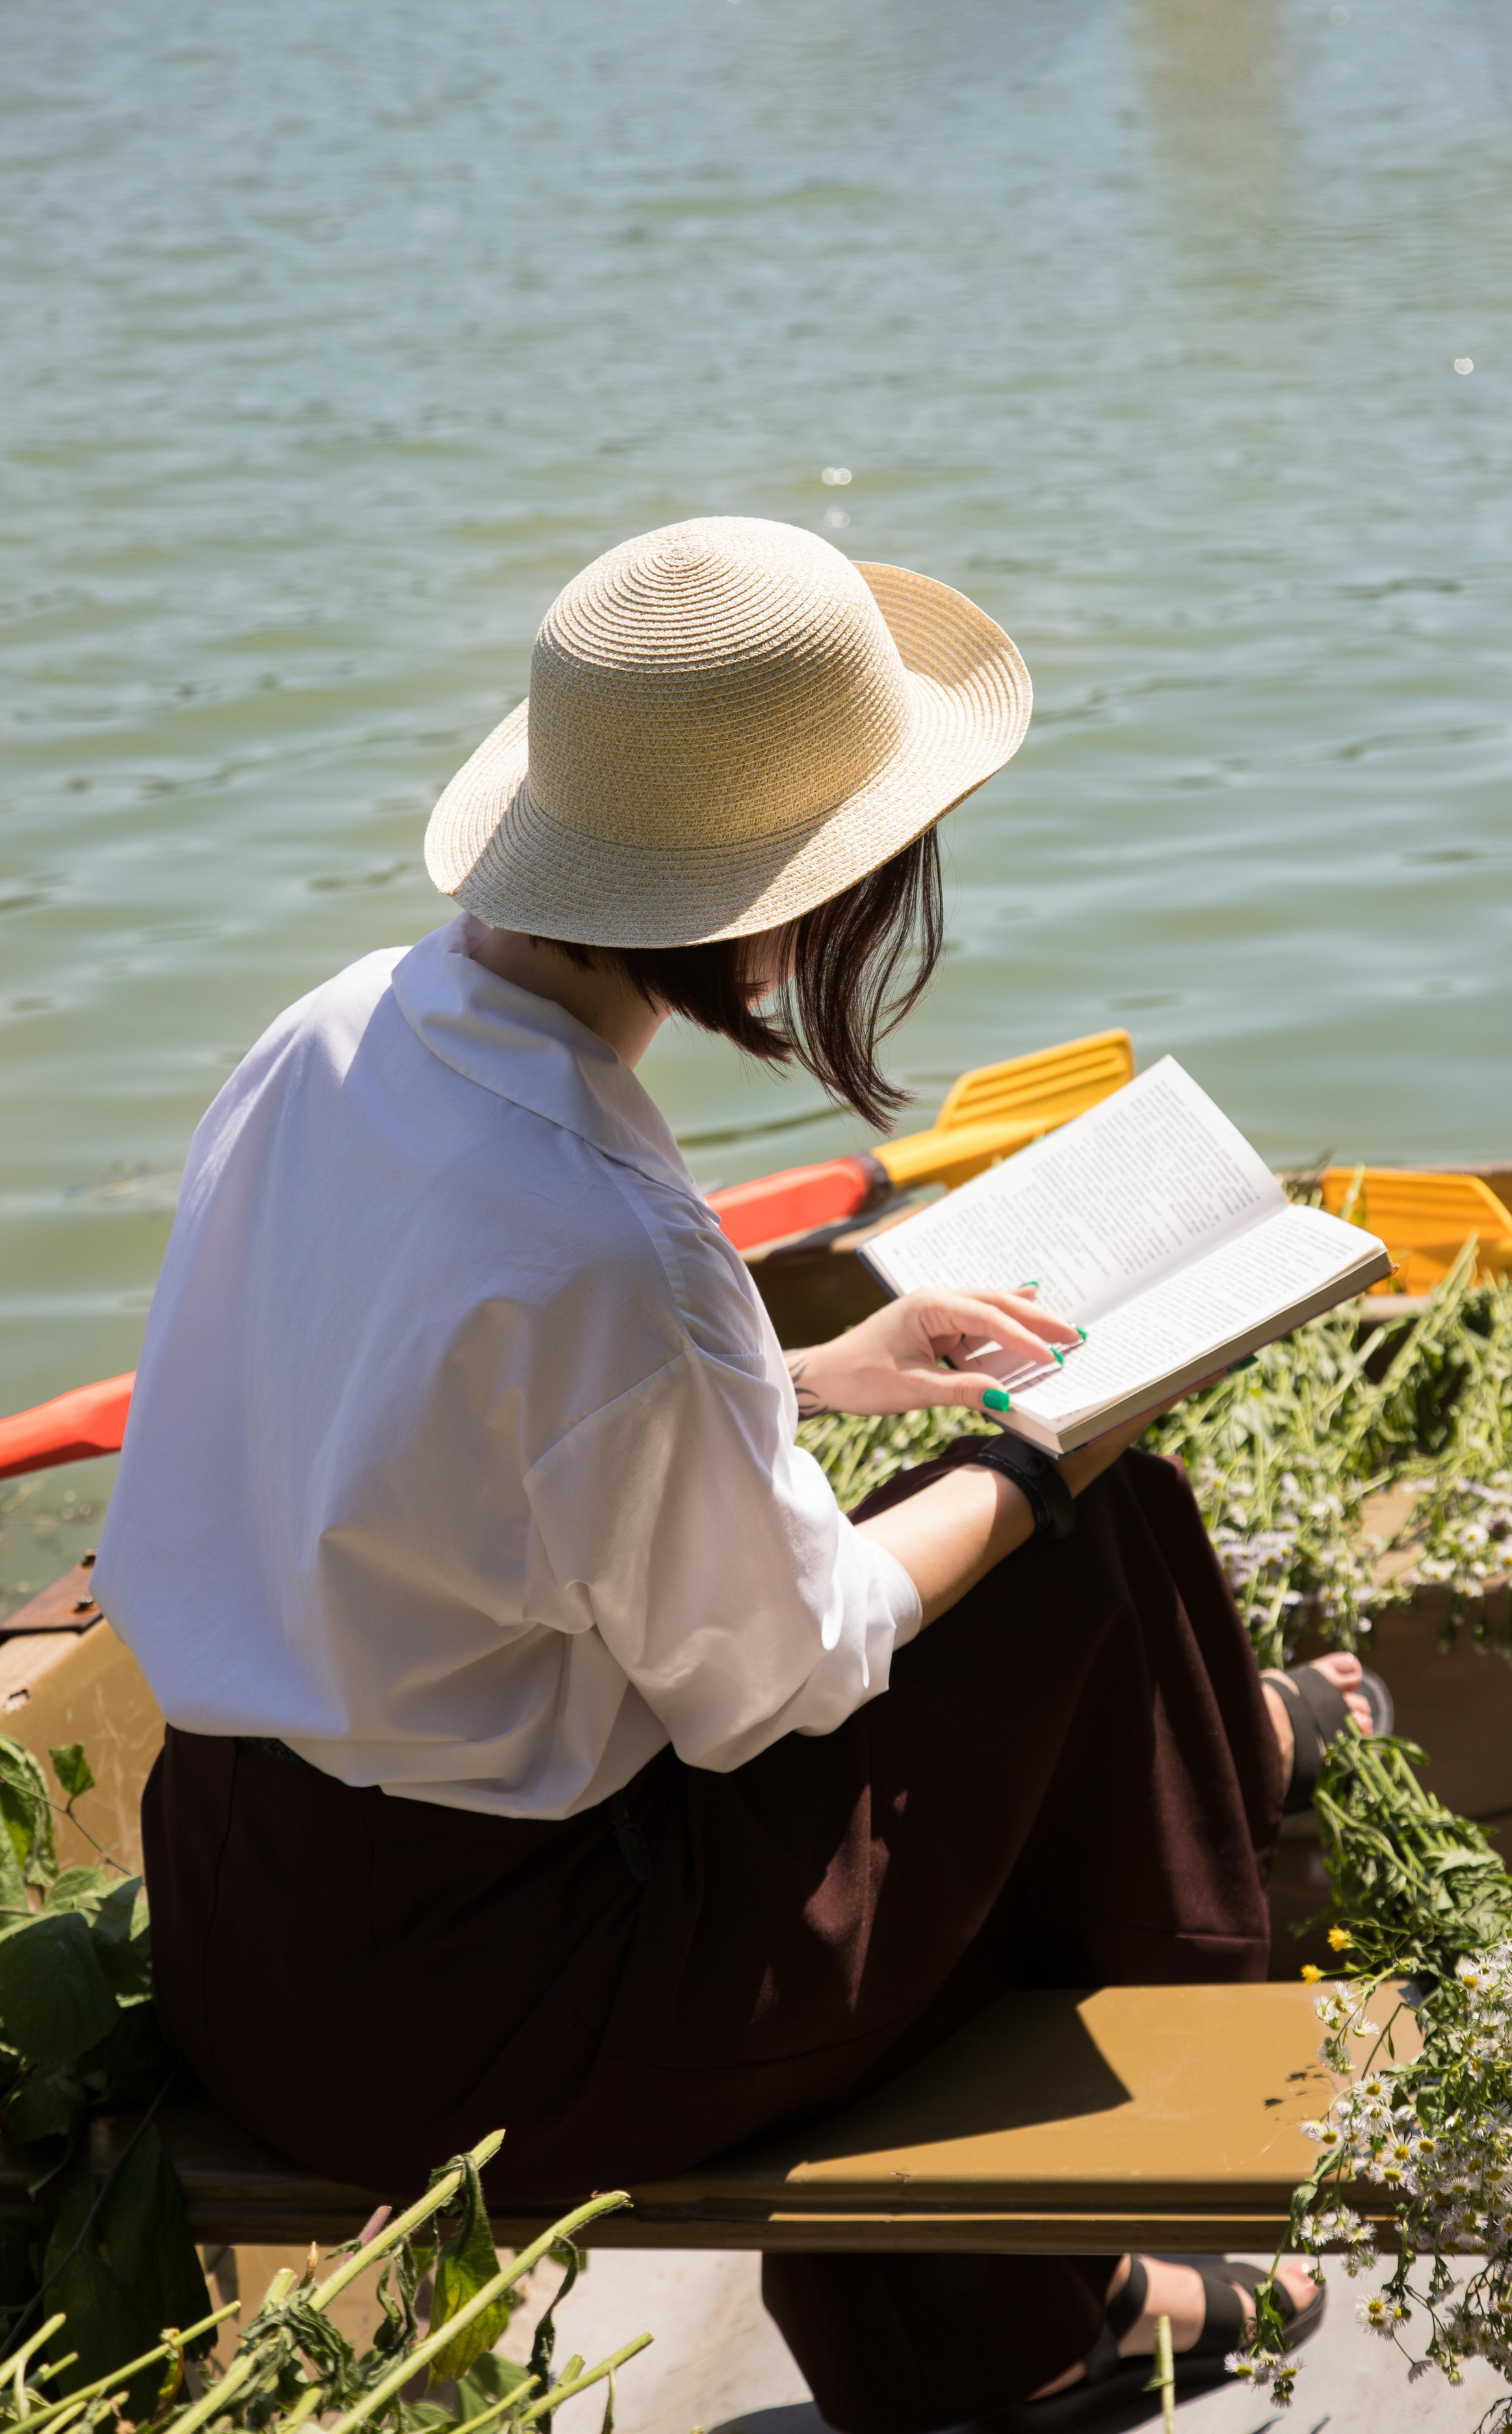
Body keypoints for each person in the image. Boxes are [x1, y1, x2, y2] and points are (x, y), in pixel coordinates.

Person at [94, 517, 1374, 2433]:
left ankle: (1216, 1775)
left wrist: (805, 1374)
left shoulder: (336, 1030)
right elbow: (786, 1677)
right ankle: (1075, 2264)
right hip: (479, 2032)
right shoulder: (606, 1236)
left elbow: (418, 1414)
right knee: (1097, 1551)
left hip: (242, 1921)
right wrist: (1035, 1461)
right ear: (792, 900)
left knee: (1052, 1603)